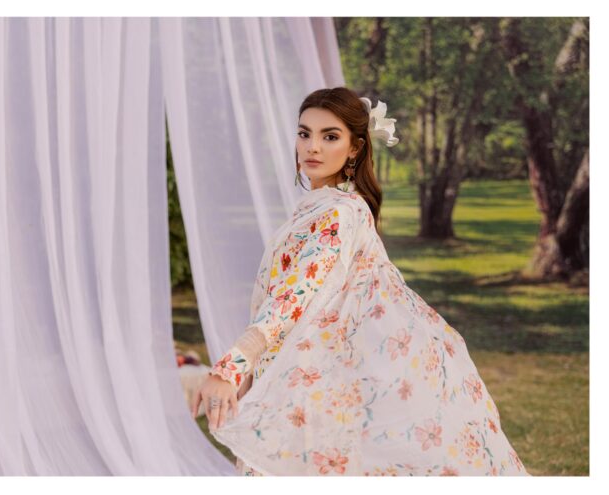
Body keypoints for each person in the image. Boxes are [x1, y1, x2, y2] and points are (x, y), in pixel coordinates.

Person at [191, 87, 529, 476]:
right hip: (305, 374)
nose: (312, 147)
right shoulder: (320, 208)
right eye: (304, 133)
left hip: (321, 380)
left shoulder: (341, 213)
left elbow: (296, 294)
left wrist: (230, 367)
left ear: (354, 148)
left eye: (329, 136)